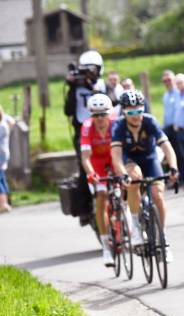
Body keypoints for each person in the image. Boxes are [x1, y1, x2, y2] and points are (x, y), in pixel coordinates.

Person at [110, 90, 178, 261]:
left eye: (139, 111)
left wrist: (173, 167)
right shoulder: (118, 126)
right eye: (130, 112)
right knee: (135, 177)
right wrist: (123, 174)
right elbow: (116, 156)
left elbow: (167, 147)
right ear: (124, 112)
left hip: (150, 159)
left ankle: (162, 237)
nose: (135, 116)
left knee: (158, 195)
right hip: (130, 160)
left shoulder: (150, 122)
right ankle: (136, 226)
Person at [64, 50, 107, 225]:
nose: (89, 73)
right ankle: (84, 208)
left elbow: (112, 102)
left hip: (104, 129)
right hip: (83, 130)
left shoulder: (103, 85)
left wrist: (92, 88)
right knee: (85, 167)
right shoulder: (76, 87)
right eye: (85, 70)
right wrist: (72, 87)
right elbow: (68, 111)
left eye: (92, 69)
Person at [80, 94, 116, 266]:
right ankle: (106, 247)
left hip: (114, 159)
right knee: (101, 199)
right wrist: (91, 173)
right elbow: (85, 156)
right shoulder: (87, 127)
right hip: (97, 164)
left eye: (103, 114)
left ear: (109, 113)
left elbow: (121, 150)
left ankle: (129, 220)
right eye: (96, 115)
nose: (100, 118)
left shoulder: (116, 123)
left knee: (126, 185)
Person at [161, 70, 183, 180]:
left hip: (177, 128)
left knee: (180, 154)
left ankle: (182, 177)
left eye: (169, 79)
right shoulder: (166, 95)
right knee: (171, 153)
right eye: (165, 80)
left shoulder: (179, 93)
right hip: (168, 128)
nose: (167, 82)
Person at [0, 106, 10, 213]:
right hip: (3, 155)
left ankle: (3, 204)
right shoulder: (4, 124)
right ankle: (6, 200)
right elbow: (12, 121)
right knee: (2, 178)